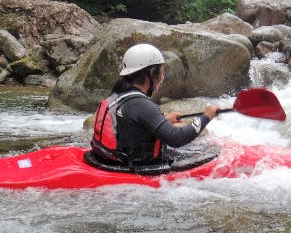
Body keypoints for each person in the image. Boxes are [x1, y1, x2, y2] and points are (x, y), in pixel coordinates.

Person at [90, 43, 220, 167]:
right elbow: (176, 139)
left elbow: (130, 124)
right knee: (204, 151)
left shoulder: (118, 95)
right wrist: (206, 117)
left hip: (108, 160)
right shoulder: (141, 105)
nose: (162, 76)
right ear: (152, 73)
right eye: (162, 71)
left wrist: (165, 119)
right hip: (131, 167)